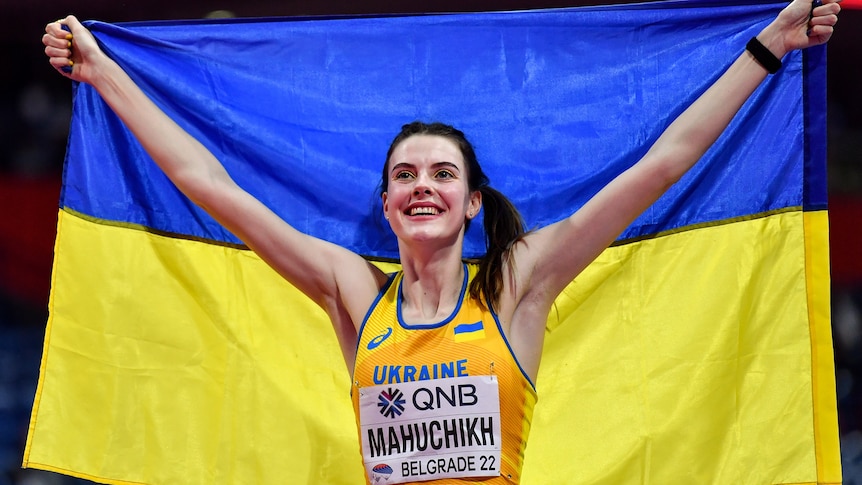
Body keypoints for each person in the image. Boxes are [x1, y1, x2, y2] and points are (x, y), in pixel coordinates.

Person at [42, 1, 840, 483]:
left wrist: (768, 47)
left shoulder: (517, 284)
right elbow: (209, 186)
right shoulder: (353, 292)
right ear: (387, 206)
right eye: (406, 174)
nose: (423, 183)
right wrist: (104, 74)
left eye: (442, 174)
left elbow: (664, 164)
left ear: (471, 205)